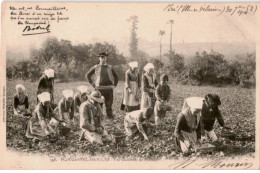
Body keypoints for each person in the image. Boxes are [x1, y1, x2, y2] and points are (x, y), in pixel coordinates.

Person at [86, 52, 118, 119]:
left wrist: (114, 85)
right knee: (99, 104)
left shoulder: (110, 67)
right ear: (99, 58)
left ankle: (110, 116)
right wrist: (92, 84)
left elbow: (116, 76)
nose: (103, 59)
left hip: (109, 88)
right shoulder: (96, 67)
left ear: (106, 58)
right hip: (99, 88)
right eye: (102, 58)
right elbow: (87, 75)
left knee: (109, 104)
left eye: (104, 58)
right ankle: (99, 116)